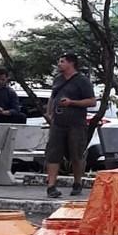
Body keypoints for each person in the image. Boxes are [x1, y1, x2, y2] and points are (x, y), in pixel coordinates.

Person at [45, 53, 95, 199]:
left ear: (71, 63)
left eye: (62, 61)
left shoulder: (82, 81)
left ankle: (77, 182)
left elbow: (92, 101)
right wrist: (49, 113)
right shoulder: (58, 80)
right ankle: (51, 186)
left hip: (76, 124)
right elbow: (52, 96)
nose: (59, 64)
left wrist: (72, 102)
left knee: (76, 154)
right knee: (53, 154)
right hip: (58, 123)